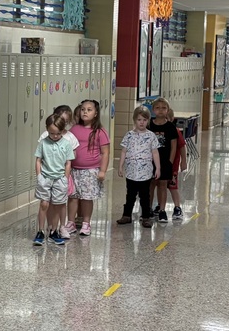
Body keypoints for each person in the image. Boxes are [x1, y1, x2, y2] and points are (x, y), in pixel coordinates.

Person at [66, 99, 111, 236]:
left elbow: (105, 152)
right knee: (73, 196)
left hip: (90, 170)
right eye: (83, 109)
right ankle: (71, 222)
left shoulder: (99, 131)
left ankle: (86, 223)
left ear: (96, 113)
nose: (85, 112)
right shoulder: (74, 129)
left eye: (89, 110)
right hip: (74, 169)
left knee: (86, 197)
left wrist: (102, 170)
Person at [33, 113, 75, 246]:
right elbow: (38, 160)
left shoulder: (66, 144)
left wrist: (65, 178)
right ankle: (40, 231)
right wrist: (39, 176)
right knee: (44, 204)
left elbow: (68, 162)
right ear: (47, 130)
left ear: (62, 131)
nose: (55, 136)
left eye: (57, 133)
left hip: (59, 179)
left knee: (57, 205)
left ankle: (53, 231)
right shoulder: (43, 143)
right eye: (51, 133)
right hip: (45, 178)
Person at [117, 106, 161, 228]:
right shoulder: (129, 135)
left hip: (145, 172)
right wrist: (120, 166)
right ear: (134, 120)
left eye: (144, 120)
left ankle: (146, 217)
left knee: (144, 196)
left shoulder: (151, 136)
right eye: (139, 119)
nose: (142, 122)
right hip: (131, 171)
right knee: (130, 195)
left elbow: (155, 153)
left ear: (148, 121)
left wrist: (158, 168)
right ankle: (126, 215)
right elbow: (124, 151)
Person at [148, 97, 180, 223]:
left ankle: (162, 210)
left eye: (163, 108)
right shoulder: (149, 124)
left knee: (162, 185)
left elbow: (174, 146)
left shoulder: (170, 127)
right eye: (157, 108)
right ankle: (148, 209)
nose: (160, 111)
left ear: (168, 110)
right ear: (153, 110)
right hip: (150, 161)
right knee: (150, 185)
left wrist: (170, 162)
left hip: (165, 161)